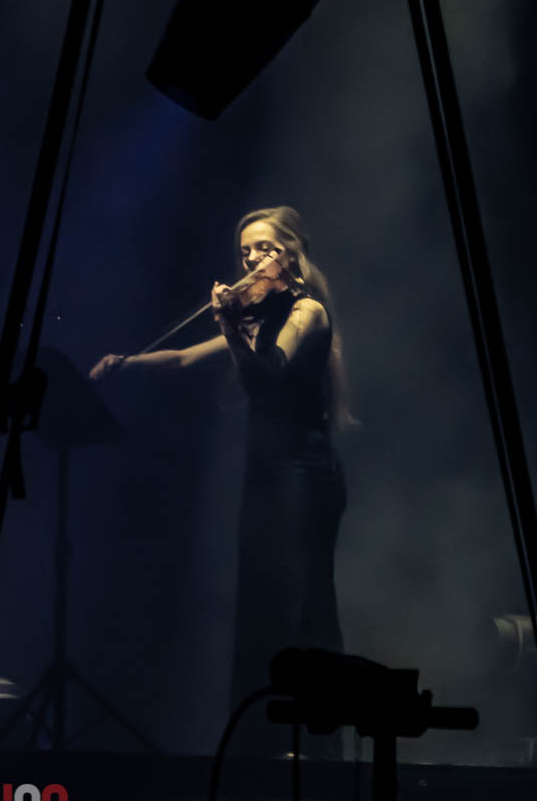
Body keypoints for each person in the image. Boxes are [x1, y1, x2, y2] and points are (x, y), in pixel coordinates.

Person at [91, 206, 349, 756]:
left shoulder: (307, 312)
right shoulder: (255, 319)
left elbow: (267, 377)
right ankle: (264, 743)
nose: (251, 260)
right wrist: (127, 363)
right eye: (245, 251)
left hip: (304, 476)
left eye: (263, 248)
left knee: (301, 603)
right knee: (260, 603)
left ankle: (317, 745)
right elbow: (184, 359)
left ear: (290, 253)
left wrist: (231, 327)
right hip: (264, 475)